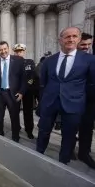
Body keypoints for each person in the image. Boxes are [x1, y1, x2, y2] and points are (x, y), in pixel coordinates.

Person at [36, 27, 95, 164]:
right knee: (43, 131)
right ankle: (38, 156)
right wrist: (42, 103)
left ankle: (63, 163)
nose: (71, 39)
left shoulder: (90, 60)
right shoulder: (49, 61)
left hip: (74, 105)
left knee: (68, 136)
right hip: (50, 103)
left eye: (74, 36)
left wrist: (81, 101)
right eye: (67, 36)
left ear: (79, 39)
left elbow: (91, 84)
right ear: (60, 40)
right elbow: (43, 84)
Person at [0, 41, 26, 142]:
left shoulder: (18, 60)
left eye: (5, 49)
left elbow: (23, 78)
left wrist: (21, 92)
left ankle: (15, 137)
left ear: (8, 48)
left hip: (13, 94)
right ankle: (0, 133)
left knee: (14, 117)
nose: (3, 51)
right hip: (0, 94)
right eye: (0, 50)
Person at [75, 32, 95, 169]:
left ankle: (84, 153)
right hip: (72, 100)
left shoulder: (93, 59)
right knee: (69, 127)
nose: (86, 47)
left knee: (87, 128)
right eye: (83, 44)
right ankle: (68, 150)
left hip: (89, 101)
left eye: (89, 44)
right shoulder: (69, 59)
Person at [13, 43, 36, 139]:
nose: (19, 53)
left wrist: (25, 88)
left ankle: (29, 130)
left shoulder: (30, 62)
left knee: (28, 112)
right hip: (16, 90)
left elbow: (32, 76)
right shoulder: (12, 63)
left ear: (24, 51)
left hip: (28, 91)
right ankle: (16, 128)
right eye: (17, 51)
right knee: (15, 111)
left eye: (21, 51)